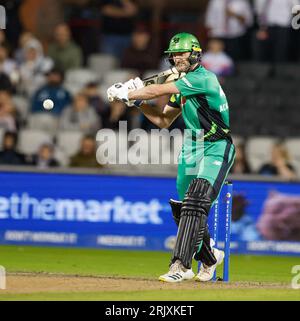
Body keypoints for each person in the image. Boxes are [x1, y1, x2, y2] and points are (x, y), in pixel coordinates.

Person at [107, 32, 236, 283]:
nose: (177, 58)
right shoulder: (183, 86)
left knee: (196, 199)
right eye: (174, 54)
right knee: (183, 209)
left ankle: (181, 265)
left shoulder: (204, 78)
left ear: (195, 53)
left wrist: (131, 92)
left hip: (216, 146)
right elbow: (163, 120)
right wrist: (136, 103)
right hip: (191, 148)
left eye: (182, 53)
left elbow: (159, 89)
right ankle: (210, 258)